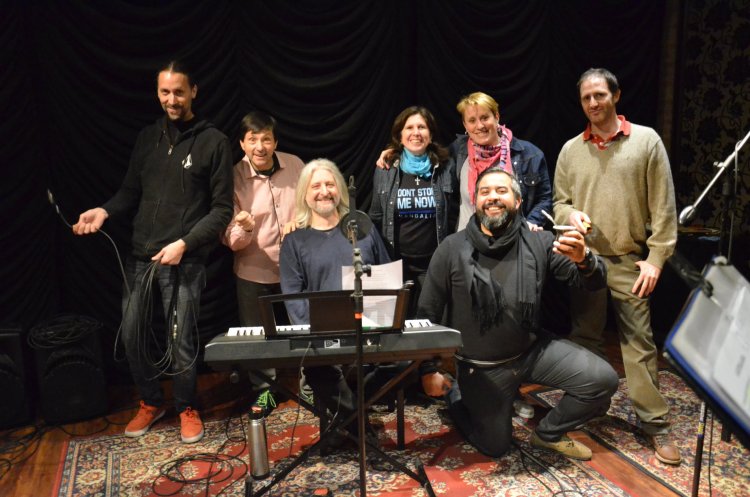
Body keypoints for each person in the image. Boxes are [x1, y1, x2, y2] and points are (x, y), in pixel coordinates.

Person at [73, 61, 233, 443]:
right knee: (131, 335)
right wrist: (104, 210)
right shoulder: (148, 138)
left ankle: (185, 405)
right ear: (157, 93)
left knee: (180, 340)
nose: (171, 99)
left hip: (184, 259)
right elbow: (131, 191)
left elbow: (222, 209)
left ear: (194, 90)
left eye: (179, 92)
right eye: (165, 92)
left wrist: (185, 244)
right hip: (140, 258)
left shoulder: (215, 142)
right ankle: (150, 401)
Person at [418, 167, 619, 459]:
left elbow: (593, 281)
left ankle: (548, 433)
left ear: (518, 201)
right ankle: (458, 393)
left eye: (502, 191)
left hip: (532, 352)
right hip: (482, 368)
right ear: (475, 201)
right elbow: (427, 312)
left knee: (602, 380)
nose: (493, 197)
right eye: (485, 191)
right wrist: (428, 369)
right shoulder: (451, 248)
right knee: (495, 447)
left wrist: (584, 259)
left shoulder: (539, 241)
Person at [553, 68, 681, 465]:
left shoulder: (645, 141)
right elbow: (559, 202)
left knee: (638, 344)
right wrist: (571, 214)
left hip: (629, 260)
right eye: (586, 98)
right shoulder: (571, 149)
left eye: (600, 95)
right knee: (585, 339)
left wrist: (657, 258)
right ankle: (587, 408)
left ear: (616, 96)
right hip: (585, 260)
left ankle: (655, 424)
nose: (593, 103)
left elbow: (664, 208)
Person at [280, 158, 390, 442]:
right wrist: (314, 332)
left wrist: (377, 324)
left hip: (368, 332)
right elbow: (293, 295)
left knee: (402, 364)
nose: (324, 191)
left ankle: (346, 422)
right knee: (319, 371)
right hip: (323, 339)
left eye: (330, 184)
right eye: (316, 185)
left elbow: (386, 281)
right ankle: (364, 433)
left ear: (340, 189)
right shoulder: (295, 241)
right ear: (305, 193)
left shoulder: (363, 231)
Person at [222, 111, 305, 414]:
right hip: (253, 272)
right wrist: (244, 226)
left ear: (275, 142)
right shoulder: (232, 177)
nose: (260, 146)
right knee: (259, 339)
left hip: (298, 270)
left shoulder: (295, 165)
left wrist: (302, 220)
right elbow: (231, 241)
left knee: (308, 330)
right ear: (242, 144)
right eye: (253, 140)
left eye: (266, 139)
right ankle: (265, 393)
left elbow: (319, 204)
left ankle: (313, 387)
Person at [377, 92, 552, 232]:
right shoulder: (457, 152)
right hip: (468, 246)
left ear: (496, 116)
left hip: (514, 241)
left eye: (485, 117)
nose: (479, 125)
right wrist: (396, 152)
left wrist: (531, 223)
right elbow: (422, 152)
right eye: (472, 120)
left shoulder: (529, 155)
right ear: (465, 125)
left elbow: (545, 198)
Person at [368, 106, 457, 316]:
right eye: (409, 127)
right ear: (400, 135)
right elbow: (376, 216)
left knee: (430, 321)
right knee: (395, 321)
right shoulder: (386, 167)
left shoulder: (446, 166)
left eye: (422, 127)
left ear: (431, 134)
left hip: (433, 261)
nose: (416, 133)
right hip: (395, 262)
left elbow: (452, 214)